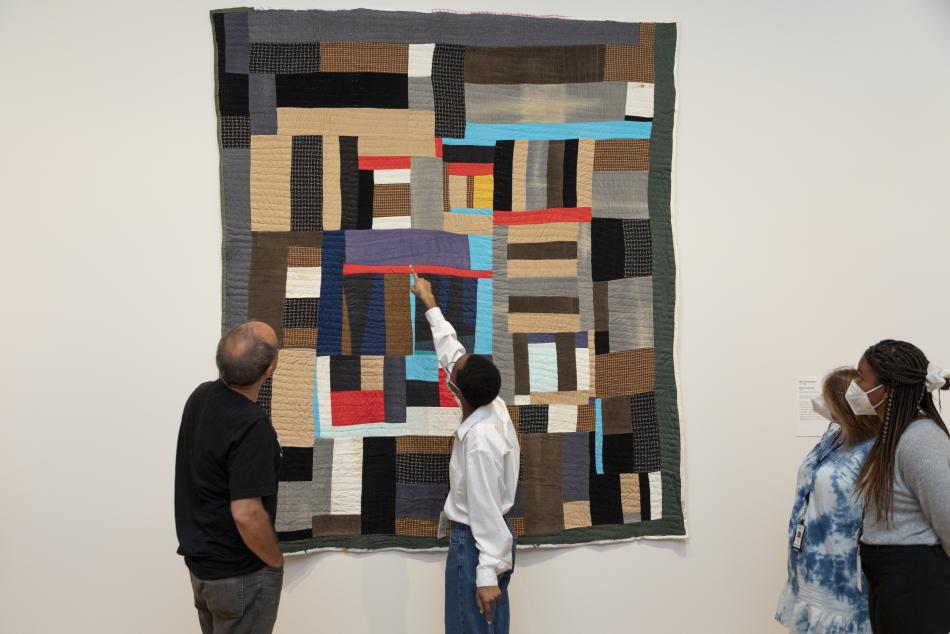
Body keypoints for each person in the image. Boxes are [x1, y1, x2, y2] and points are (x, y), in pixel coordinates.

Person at [409, 266, 520, 634]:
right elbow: (451, 351)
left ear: (459, 391)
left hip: (476, 546)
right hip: (484, 542)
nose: (454, 364)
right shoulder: (492, 402)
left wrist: (486, 574)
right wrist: (429, 304)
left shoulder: (479, 443)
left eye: (455, 372)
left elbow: (486, 509)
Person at [175, 321, 285, 634]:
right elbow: (246, 512)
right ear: (269, 369)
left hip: (203, 570)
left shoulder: (201, 396)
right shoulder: (253, 426)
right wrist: (274, 559)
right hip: (237, 576)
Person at [848, 340, 950, 633]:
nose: (854, 386)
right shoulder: (894, 435)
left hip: (915, 581)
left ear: (887, 389)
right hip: (892, 577)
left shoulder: (921, 440)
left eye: (861, 378)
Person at [776, 367, 880, 633]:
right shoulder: (833, 436)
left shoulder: (873, 450)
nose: (822, 403)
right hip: (808, 563)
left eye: (828, 397)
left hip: (842, 572)